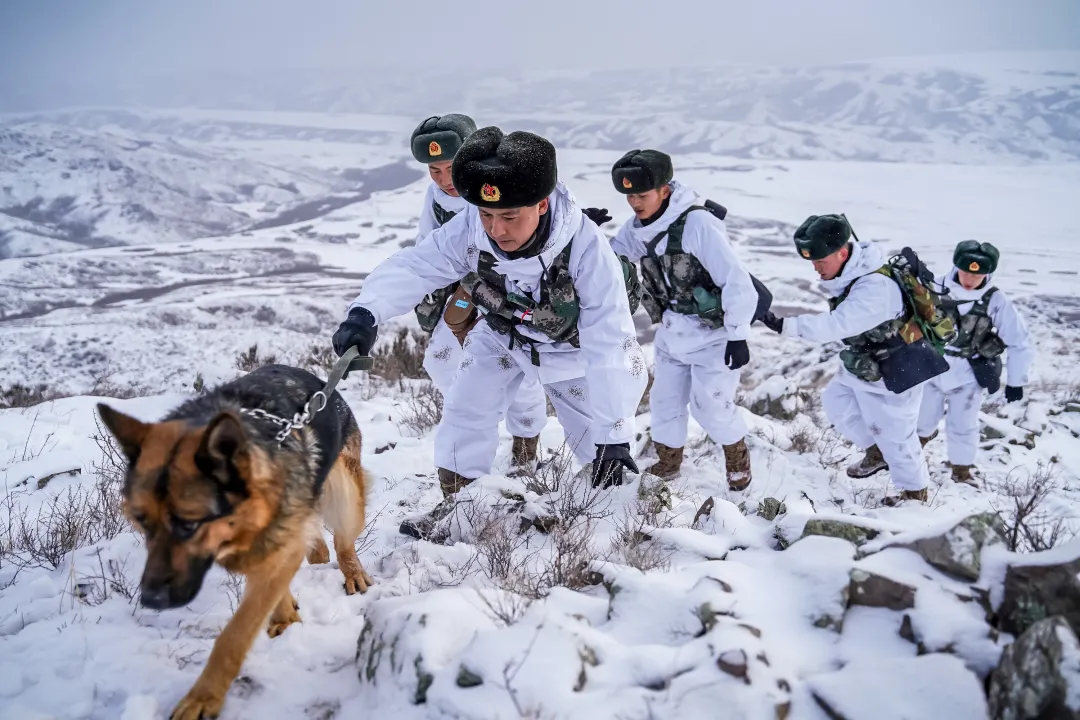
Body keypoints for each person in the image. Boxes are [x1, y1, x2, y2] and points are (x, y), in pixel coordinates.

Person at [332, 127, 647, 537]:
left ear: (542, 204)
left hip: (572, 353)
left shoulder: (587, 250)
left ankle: (619, 523)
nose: (496, 230)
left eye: (509, 216)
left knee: (600, 452)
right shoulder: (471, 227)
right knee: (466, 410)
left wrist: (614, 436)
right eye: (487, 214)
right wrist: (365, 312)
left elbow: (610, 342)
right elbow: (416, 265)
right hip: (504, 334)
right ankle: (460, 510)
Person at [760, 215, 944, 505]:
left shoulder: (874, 288)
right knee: (837, 403)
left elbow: (837, 325)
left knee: (897, 434)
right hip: (868, 363)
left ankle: (914, 495)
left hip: (898, 367)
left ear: (843, 253)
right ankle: (877, 450)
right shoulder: (856, 276)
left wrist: (783, 325)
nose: (815, 267)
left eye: (820, 260)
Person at [607, 149, 756, 491]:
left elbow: (736, 280)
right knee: (664, 402)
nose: (634, 203)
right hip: (672, 332)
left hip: (713, 336)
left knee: (711, 406)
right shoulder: (635, 229)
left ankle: (737, 457)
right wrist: (585, 231)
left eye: (641, 195)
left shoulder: (697, 224)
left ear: (665, 189)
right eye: (629, 195)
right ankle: (669, 461)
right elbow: (612, 259)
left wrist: (738, 335)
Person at [407, 114, 546, 470]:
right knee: (441, 360)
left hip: (506, 289)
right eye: (434, 170)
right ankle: (475, 417)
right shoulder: (436, 196)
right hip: (462, 292)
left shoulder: (491, 187)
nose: (443, 179)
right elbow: (428, 241)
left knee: (521, 364)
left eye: (449, 167)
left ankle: (526, 443)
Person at [916, 240, 1034, 484]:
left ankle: (961, 471)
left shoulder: (995, 300)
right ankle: (908, 458)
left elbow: (1019, 340)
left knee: (963, 424)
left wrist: (1015, 381)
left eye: (977, 274)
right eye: (966, 272)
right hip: (931, 366)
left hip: (967, 373)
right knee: (919, 419)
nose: (970, 278)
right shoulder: (934, 286)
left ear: (988, 273)